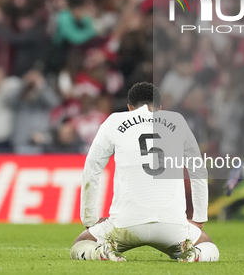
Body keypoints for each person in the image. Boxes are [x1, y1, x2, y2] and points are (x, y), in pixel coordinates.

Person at [70, 82, 219, 262]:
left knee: (80, 244)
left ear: (129, 107)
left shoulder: (114, 121)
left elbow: (91, 170)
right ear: (160, 108)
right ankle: (194, 255)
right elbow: (198, 170)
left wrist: (90, 219)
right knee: (207, 244)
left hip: (124, 224)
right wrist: (199, 218)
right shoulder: (177, 121)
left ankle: (101, 253)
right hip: (172, 226)